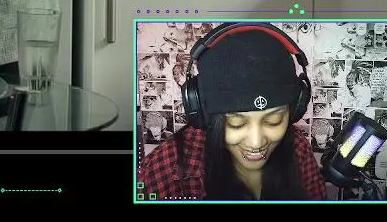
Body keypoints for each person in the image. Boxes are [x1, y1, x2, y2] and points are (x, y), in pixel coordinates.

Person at [137, 23, 327, 201]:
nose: (256, 142)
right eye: (236, 123)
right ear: (204, 115)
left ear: (295, 110)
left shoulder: (298, 148)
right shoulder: (161, 170)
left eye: (274, 121)